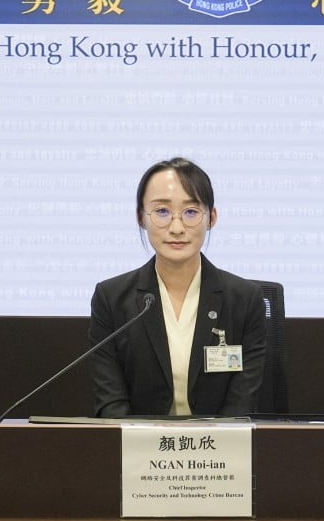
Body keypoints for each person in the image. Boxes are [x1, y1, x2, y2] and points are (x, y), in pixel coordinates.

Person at [88, 157, 266, 418]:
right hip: (139, 453)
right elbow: (111, 404)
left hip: (219, 454)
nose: (176, 228)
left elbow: (241, 404)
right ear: (141, 217)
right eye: (161, 212)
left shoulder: (244, 300)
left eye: (191, 212)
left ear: (212, 217)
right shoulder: (111, 299)